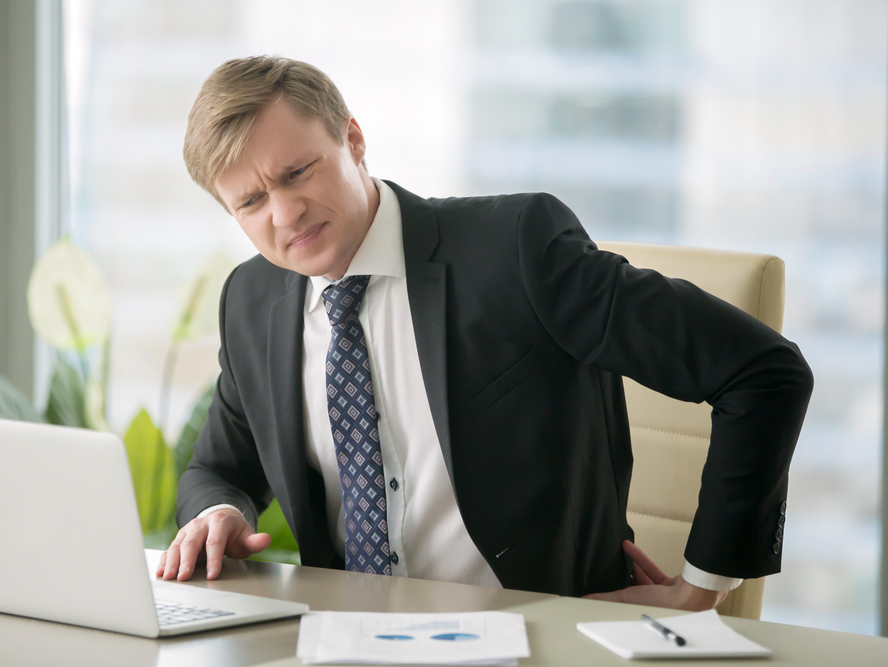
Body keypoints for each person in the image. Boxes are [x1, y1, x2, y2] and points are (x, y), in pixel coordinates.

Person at [156, 56, 812, 611]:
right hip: (346, 640)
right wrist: (220, 512)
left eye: (297, 172)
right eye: (250, 201)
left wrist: (701, 586)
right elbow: (217, 467)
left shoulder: (515, 251)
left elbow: (761, 371)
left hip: (535, 636)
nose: (285, 212)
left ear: (353, 139)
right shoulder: (253, 300)